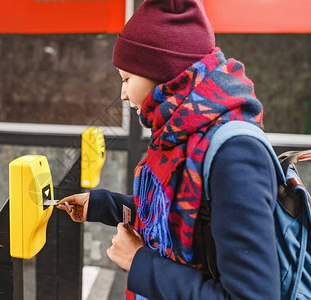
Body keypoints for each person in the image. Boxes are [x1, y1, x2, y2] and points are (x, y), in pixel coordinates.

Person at [57, 0, 280, 299]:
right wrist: (103, 206)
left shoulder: (235, 153)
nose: (123, 94)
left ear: (163, 72)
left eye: (127, 79)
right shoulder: (182, 131)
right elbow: (180, 221)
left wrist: (139, 262)